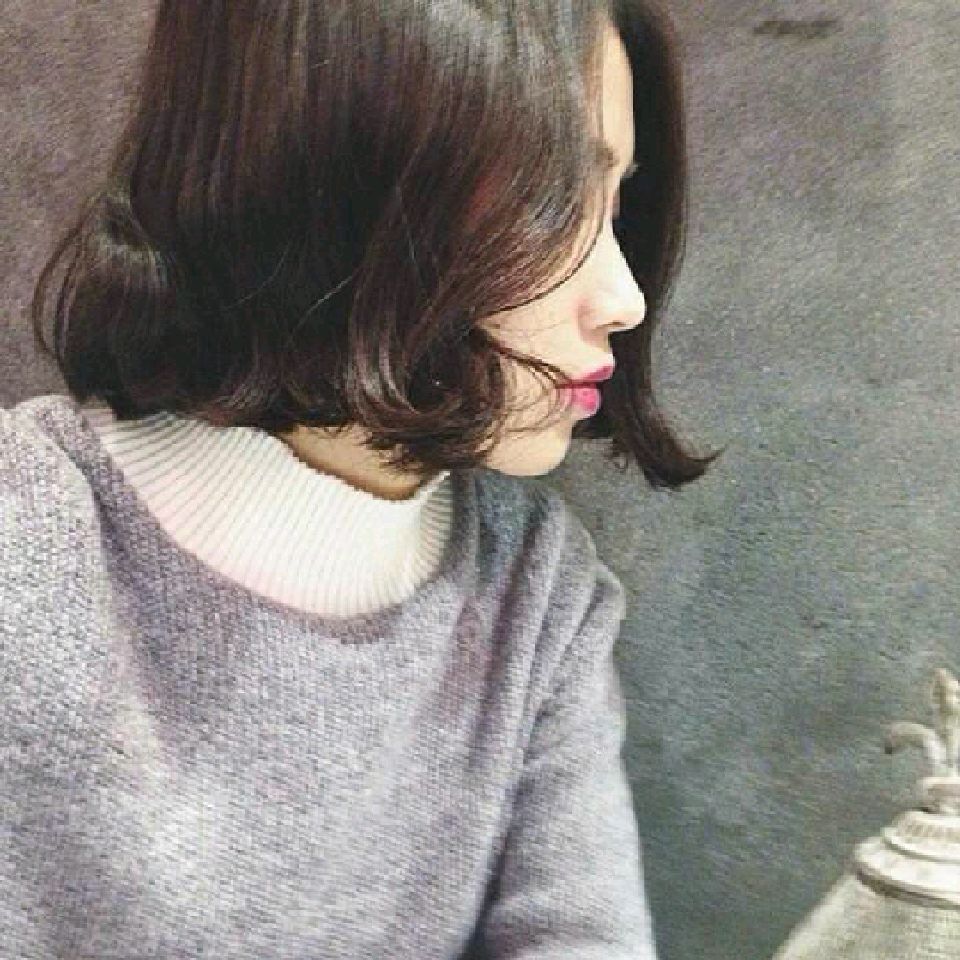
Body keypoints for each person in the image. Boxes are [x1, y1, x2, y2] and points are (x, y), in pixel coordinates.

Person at [1, 1, 719, 957]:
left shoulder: (536, 596)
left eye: (616, 207)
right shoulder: (28, 540)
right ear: (329, 185)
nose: (625, 299)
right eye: (548, 208)